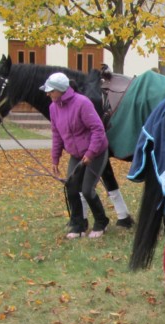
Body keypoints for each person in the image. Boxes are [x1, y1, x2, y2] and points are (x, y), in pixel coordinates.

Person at [41, 72, 111, 239]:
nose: (48, 94)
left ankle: (101, 222)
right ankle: (78, 226)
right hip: (76, 154)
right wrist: (55, 158)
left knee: (87, 190)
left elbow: (98, 129)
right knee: (71, 187)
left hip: (96, 152)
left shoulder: (82, 103)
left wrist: (91, 153)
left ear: (61, 90)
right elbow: (57, 134)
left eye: (51, 91)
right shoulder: (53, 108)